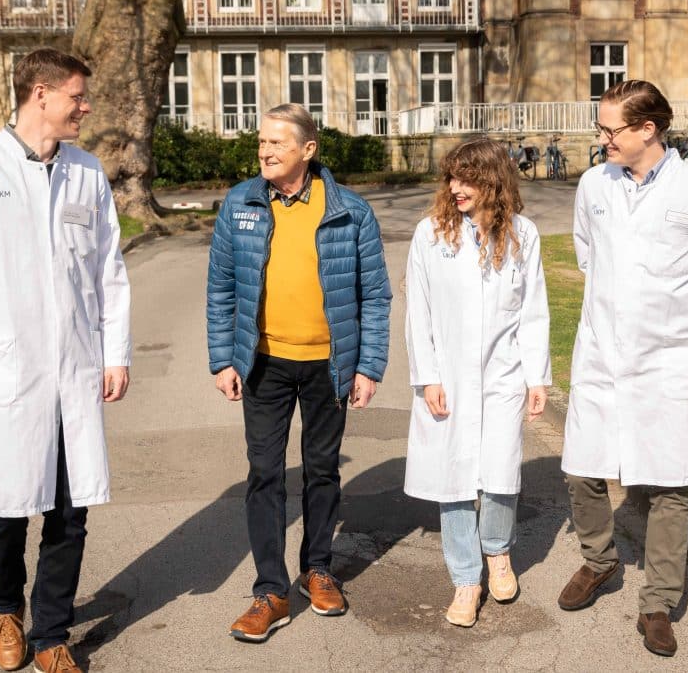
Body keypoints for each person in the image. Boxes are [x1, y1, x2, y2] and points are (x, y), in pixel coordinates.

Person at [0, 48, 131, 673]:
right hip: (0, 372)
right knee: (5, 510)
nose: (85, 107)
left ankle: (52, 633)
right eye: (76, 96)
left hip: (73, 371)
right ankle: (6, 608)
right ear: (40, 93)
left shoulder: (87, 173)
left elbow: (108, 271)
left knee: (70, 511)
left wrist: (114, 352)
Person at [557, 79, 688, 657]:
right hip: (602, 353)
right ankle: (600, 561)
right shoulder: (594, 184)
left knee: (672, 481)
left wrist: (663, 313)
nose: (602, 138)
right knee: (582, 469)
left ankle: (658, 602)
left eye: (611, 130)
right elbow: (588, 253)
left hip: (668, 359)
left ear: (647, 130)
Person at [206, 103, 392, 642]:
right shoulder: (240, 203)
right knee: (264, 473)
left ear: (308, 150)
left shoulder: (349, 211)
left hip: (328, 365)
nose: (264, 152)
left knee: (321, 469)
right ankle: (270, 590)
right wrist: (223, 358)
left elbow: (374, 297)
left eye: (276, 144)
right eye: (261, 143)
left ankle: (318, 569)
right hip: (263, 362)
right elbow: (220, 287)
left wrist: (368, 366)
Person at [404, 138, 551, 628]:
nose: (455, 188)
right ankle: (466, 578)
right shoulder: (430, 234)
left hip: (503, 373)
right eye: (451, 178)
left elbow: (533, 311)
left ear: (493, 181)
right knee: (453, 477)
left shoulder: (522, 235)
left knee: (500, 471)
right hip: (448, 376)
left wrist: (537, 376)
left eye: (467, 179)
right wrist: (427, 377)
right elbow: (418, 311)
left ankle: (497, 552)